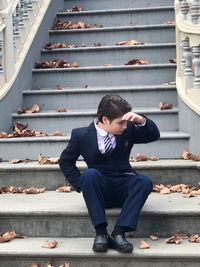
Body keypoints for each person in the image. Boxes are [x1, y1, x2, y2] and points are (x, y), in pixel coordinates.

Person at [59, 94, 160, 253]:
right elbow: (65, 161)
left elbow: (154, 135)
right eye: (121, 123)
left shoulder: (129, 130)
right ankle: (101, 233)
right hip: (99, 189)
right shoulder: (81, 135)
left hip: (124, 187)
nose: (125, 126)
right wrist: (81, 185)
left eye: (126, 122)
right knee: (89, 175)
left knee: (144, 181)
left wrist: (141, 121)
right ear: (105, 119)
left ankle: (119, 233)